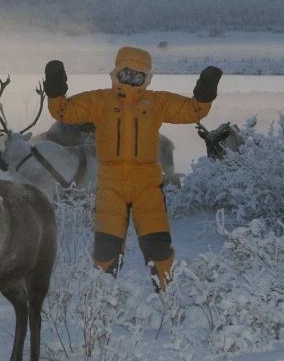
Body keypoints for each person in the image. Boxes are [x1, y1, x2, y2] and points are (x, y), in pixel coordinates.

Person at [43, 49, 222, 290]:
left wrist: (206, 88)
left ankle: (166, 295)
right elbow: (62, 111)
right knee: (107, 245)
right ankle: (102, 298)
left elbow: (193, 110)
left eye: (139, 75)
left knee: (157, 243)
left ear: (147, 77)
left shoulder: (156, 102)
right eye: (127, 73)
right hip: (111, 183)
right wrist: (56, 86)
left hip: (147, 183)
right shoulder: (99, 100)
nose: (132, 79)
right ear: (117, 72)